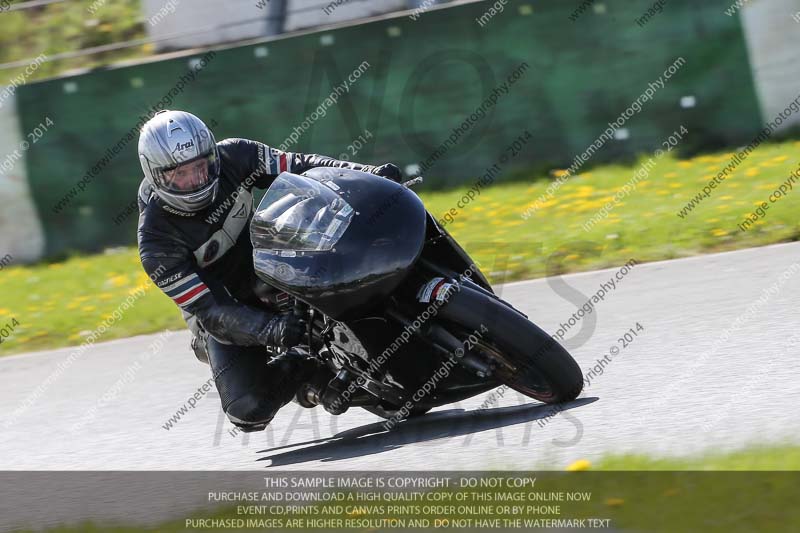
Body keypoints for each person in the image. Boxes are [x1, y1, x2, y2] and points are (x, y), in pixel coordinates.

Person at [136, 110, 402, 431]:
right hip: (222, 310)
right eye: (181, 174)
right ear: (157, 175)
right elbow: (210, 310)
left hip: (269, 263)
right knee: (247, 411)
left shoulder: (235, 154)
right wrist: (270, 329)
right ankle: (306, 373)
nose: (196, 180)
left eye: (200, 167)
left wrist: (368, 174)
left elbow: (304, 166)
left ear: (212, 157)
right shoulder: (155, 242)